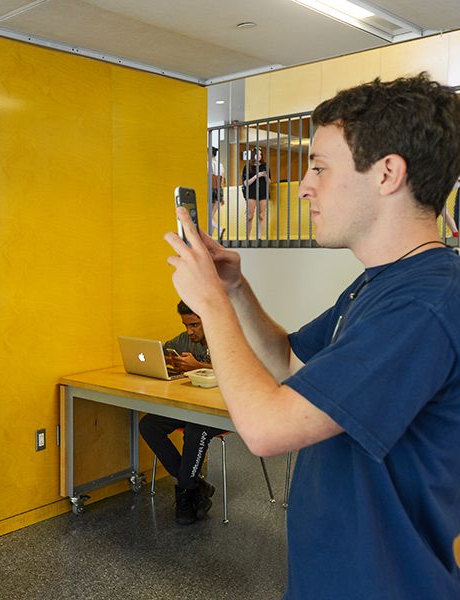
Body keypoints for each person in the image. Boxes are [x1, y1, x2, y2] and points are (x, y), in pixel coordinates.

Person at [165, 74, 460, 598]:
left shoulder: (423, 304)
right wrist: (233, 290)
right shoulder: (381, 284)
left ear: (388, 172)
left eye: (320, 167)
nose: (303, 186)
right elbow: (285, 360)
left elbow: (266, 429)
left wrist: (207, 304)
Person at [138, 301, 225, 525]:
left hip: (224, 411)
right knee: (148, 425)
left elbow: (243, 372)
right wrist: (169, 361)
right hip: (192, 407)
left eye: (195, 325)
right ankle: (194, 485)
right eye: (186, 325)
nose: (190, 331)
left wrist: (197, 366)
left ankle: (186, 492)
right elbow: (161, 353)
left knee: (196, 429)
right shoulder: (184, 340)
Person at [241, 147, 269, 239]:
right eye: (258, 154)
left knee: (261, 215)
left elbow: (269, 181)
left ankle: (259, 237)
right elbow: (245, 183)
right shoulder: (247, 167)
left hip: (263, 191)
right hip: (251, 192)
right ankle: (247, 237)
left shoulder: (265, 166)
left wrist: (265, 176)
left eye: (261, 154)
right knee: (250, 216)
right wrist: (256, 176)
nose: (259, 156)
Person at [209, 146, 225, 240]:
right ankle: (210, 236)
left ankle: (219, 229)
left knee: (208, 216)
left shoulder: (207, 164)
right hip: (218, 190)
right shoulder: (220, 165)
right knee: (211, 215)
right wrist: (222, 196)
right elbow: (222, 181)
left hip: (210, 189)